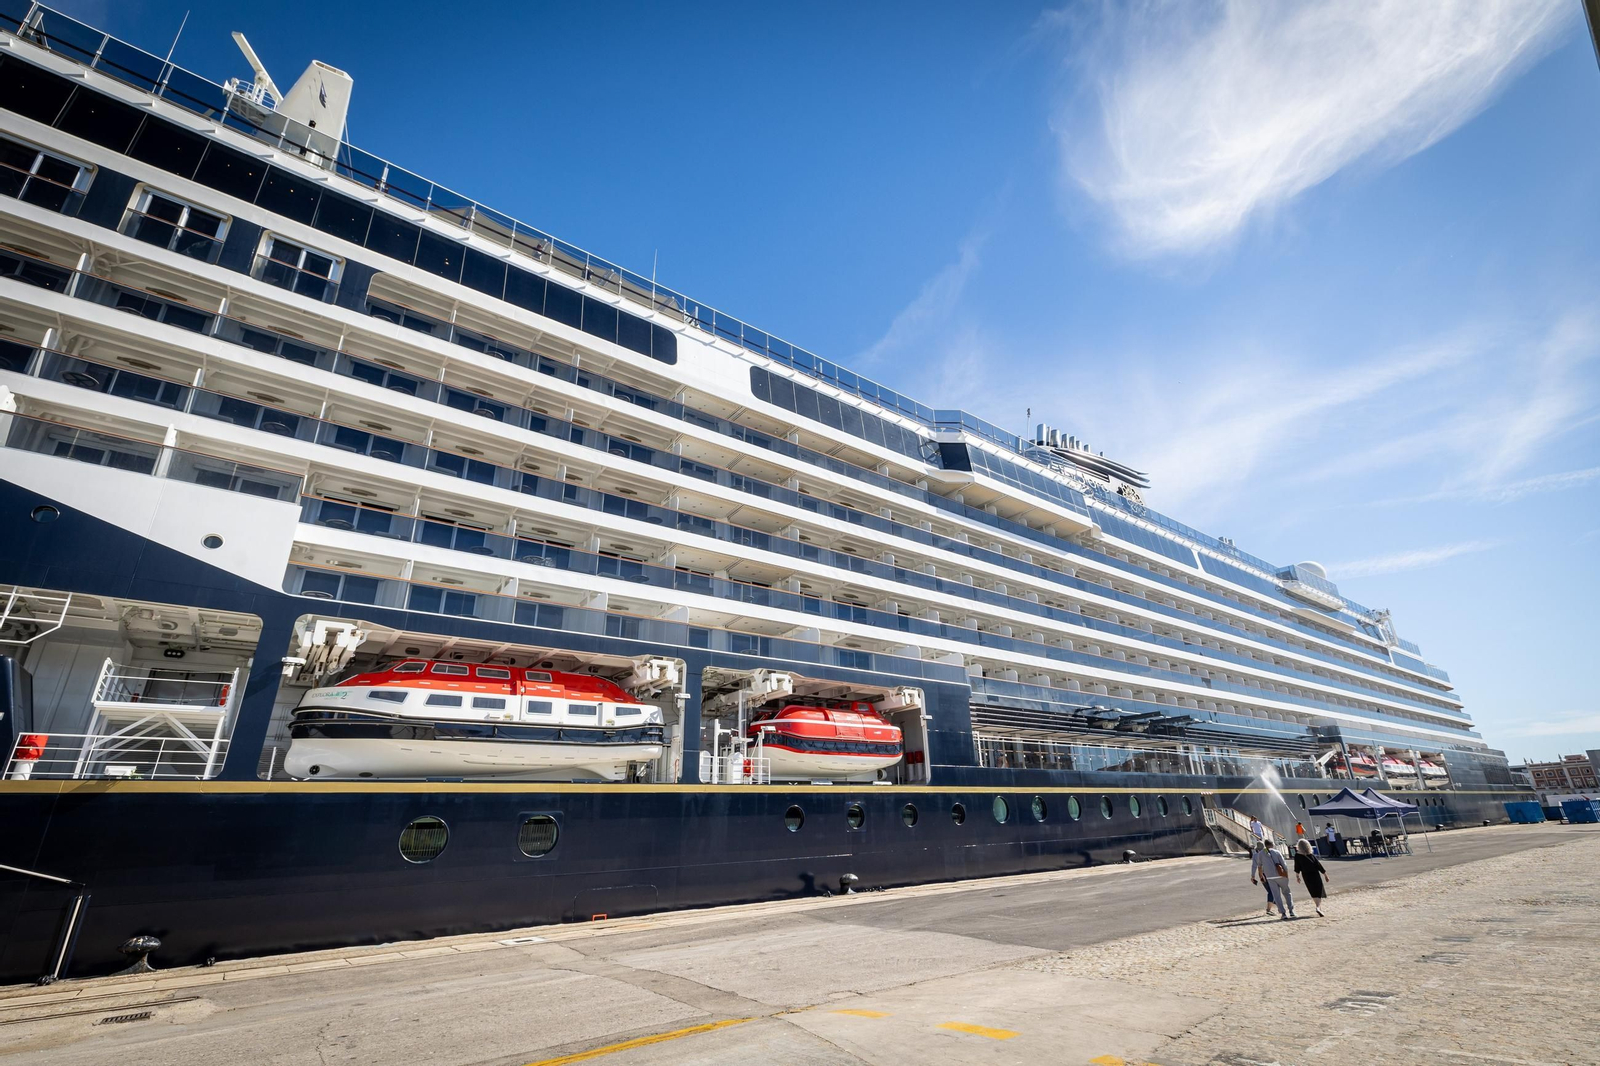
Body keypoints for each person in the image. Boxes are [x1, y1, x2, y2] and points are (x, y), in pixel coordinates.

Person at [1294, 839, 1330, 917]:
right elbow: (1318, 865)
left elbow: (1297, 867)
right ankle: (1318, 907)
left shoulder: (1297, 855)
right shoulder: (1310, 854)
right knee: (1319, 891)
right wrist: (1325, 875)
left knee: (1312, 891)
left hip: (1306, 875)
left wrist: (1297, 876)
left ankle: (1318, 907)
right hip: (1315, 874)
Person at [1262, 839, 1296, 919]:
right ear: (1272, 844)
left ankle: (1283, 913)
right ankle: (1291, 911)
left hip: (1270, 877)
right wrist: (1286, 874)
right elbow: (1283, 863)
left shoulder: (1262, 854)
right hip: (1280, 875)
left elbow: (1260, 866)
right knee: (1287, 893)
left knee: (1276, 896)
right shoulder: (1277, 852)